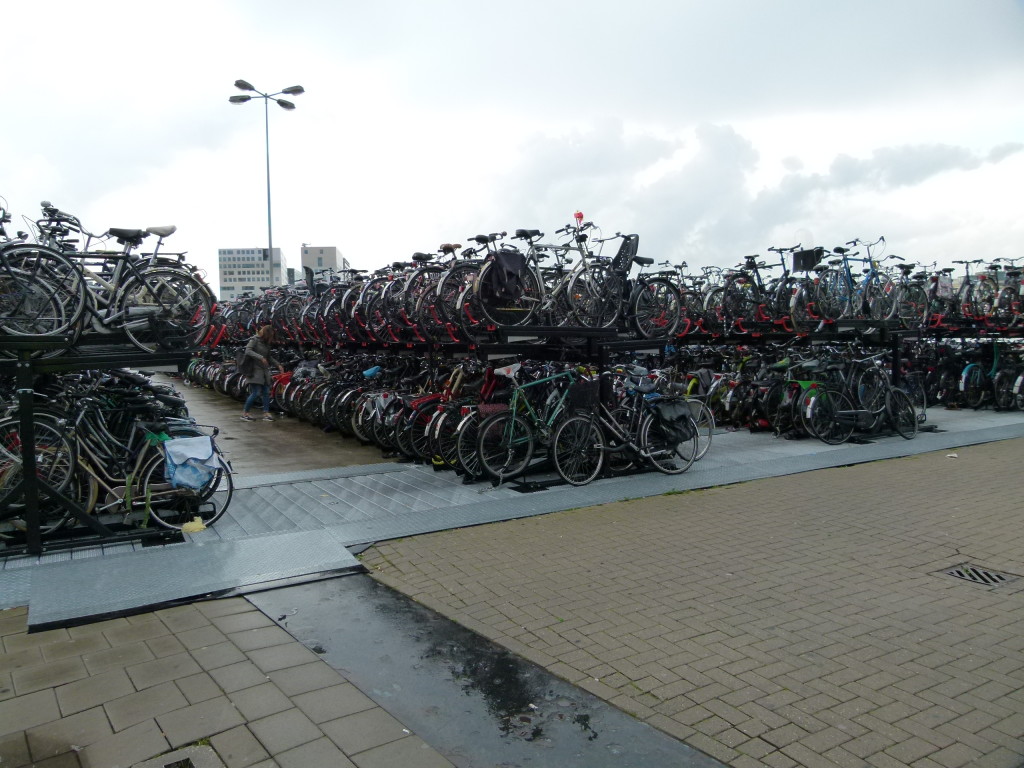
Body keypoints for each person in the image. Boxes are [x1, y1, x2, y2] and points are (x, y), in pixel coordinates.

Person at [240, 325, 281, 421]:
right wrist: (260, 357)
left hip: (264, 371)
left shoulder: (266, 343)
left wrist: (278, 365)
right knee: (255, 393)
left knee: (266, 392)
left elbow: (269, 357)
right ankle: (245, 413)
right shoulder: (254, 340)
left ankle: (266, 413)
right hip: (254, 370)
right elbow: (248, 351)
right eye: (270, 335)